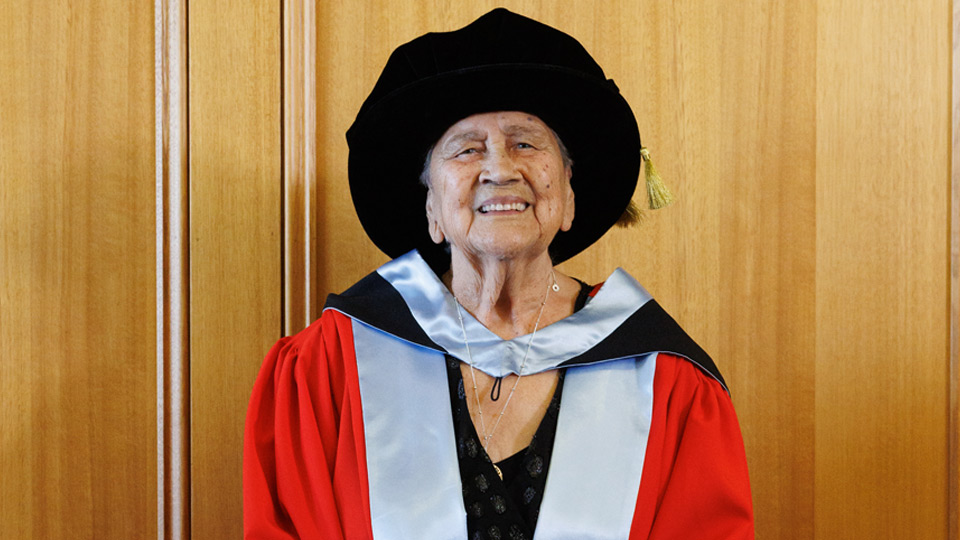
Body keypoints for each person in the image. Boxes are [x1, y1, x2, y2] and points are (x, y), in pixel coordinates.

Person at [244, 8, 754, 540]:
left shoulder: (665, 379)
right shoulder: (329, 369)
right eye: (467, 149)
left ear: (569, 194)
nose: (500, 168)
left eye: (525, 143)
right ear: (432, 209)